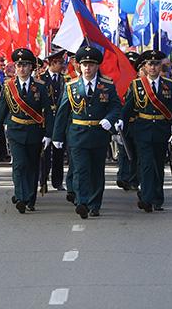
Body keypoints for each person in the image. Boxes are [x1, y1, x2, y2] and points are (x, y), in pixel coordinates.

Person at [52, 46, 121, 219]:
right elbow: (63, 113)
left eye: (91, 64)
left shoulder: (107, 85)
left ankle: (95, 204)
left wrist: (109, 119)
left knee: (97, 171)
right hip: (78, 134)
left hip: (98, 134)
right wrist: (57, 136)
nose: (87, 68)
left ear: (97, 66)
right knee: (81, 170)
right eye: (84, 64)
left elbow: (115, 106)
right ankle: (82, 202)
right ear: (79, 66)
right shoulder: (71, 86)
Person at [0, 48, 54, 214]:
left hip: (34, 131)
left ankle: (30, 198)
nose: (22, 69)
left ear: (31, 67)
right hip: (15, 130)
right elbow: (2, 108)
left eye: (25, 65)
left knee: (32, 166)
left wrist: (48, 134)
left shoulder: (40, 86)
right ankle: (21, 197)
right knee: (19, 165)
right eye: (19, 65)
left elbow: (48, 111)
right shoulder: (9, 86)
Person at [120, 50, 172, 212]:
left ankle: (157, 198)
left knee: (158, 165)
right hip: (143, 129)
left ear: (161, 66)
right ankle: (147, 198)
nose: (153, 67)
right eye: (149, 64)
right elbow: (127, 109)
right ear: (145, 67)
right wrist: (120, 124)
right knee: (146, 164)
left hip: (162, 129)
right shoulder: (137, 85)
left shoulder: (169, 84)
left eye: (156, 64)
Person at [39, 48, 69, 192]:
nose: (62, 66)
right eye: (59, 63)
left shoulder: (65, 80)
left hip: (60, 120)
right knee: (44, 153)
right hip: (45, 120)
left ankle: (57, 181)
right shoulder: (41, 79)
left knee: (59, 152)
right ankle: (43, 180)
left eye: (62, 63)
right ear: (52, 63)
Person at [115, 51, 140, 191]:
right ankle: (123, 177)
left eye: (132, 64)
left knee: (135, 152)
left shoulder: (140, 83)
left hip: (136, 121)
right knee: (123, 151)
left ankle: (134, 179)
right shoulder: (120, 80)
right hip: (123, 121)